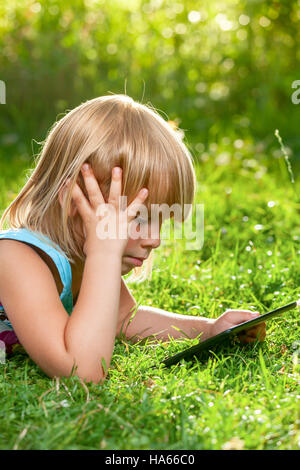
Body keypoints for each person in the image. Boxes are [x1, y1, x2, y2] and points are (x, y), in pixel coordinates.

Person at [0, 94, 266, 383]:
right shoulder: (16, 257)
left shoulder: (82, 256)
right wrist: (104, 254)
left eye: (161, 221)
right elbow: (81, 373)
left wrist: (209, 329)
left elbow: (125, 319)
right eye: (138, 219)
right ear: (75, 198)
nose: (155, 240)